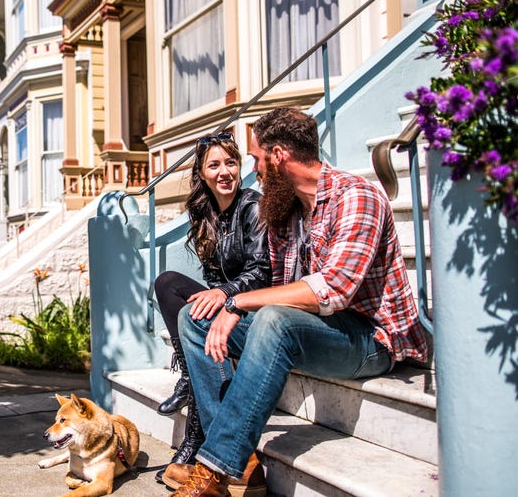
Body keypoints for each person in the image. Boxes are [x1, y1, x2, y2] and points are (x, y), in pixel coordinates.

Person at [165, 108, 429, 497]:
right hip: (313, 330)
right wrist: (229, 305)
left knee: (273, 319)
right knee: (194, 317)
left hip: (370, 339)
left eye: (255, 158)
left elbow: (334, 288)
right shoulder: (285, 210)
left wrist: (238, 303)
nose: (252, 169)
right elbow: (281, 285)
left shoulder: (357, 196)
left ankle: (213, 469)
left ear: (278, 156)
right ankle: (245, 461)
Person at [153, 134, 271, 486]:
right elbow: (211, 274)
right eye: (214, 165)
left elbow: (262, 270)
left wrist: (224, 295)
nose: (224, 172)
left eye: (231, 163)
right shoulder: (203, 212)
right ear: (202, 173)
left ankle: (195, 442)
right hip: (224, 298)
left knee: (194, 317)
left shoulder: (253, 206)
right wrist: (217, 295)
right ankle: (191, 377)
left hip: (251, 304)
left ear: (240, 166)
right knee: (167, 283)